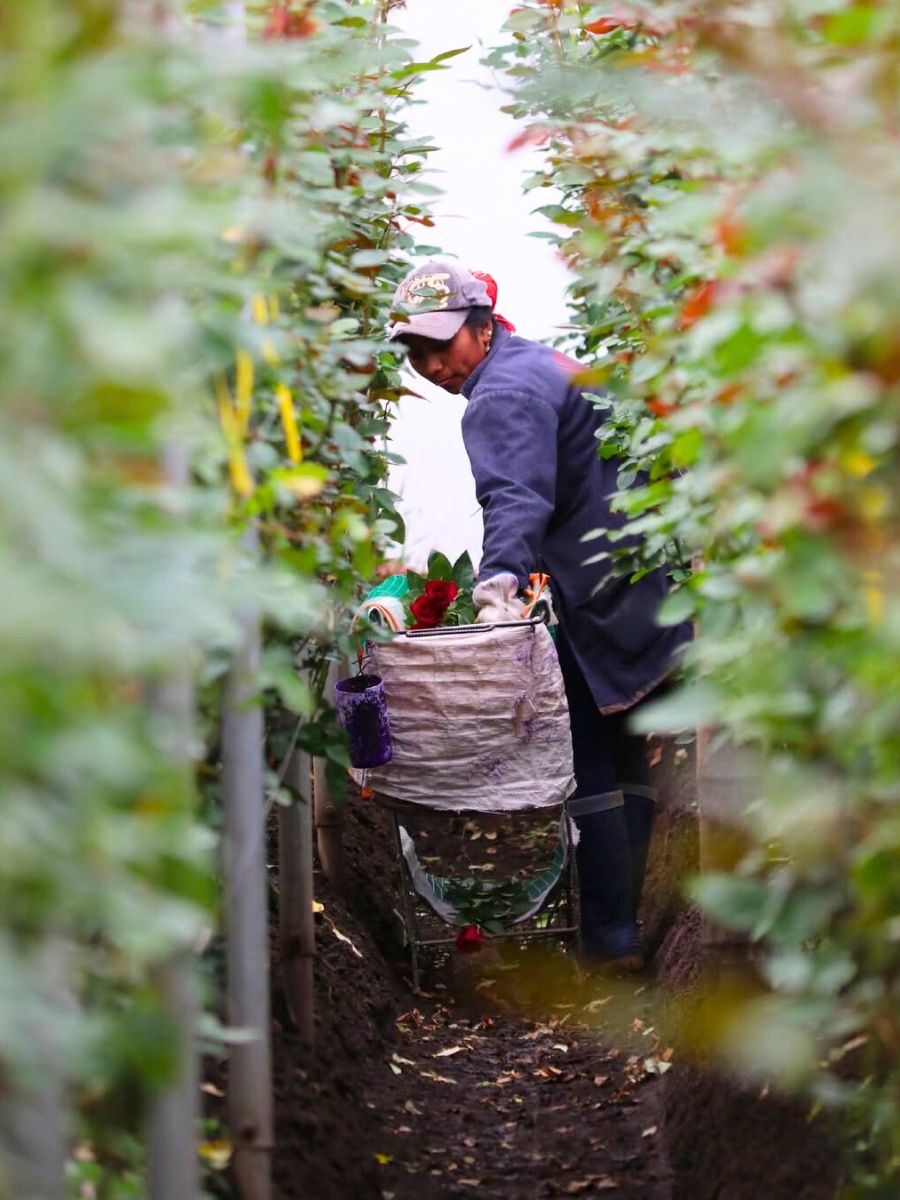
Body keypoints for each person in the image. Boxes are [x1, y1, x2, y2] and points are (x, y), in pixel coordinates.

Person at [387, 260, 691, 967]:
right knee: (621, 750)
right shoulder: (543, 363)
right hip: (637, 585)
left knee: (582, 758)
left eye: (442, 345)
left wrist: (497, 584)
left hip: (596, 595)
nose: (432, 365)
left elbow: (516, 496)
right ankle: (621, 932)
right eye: (418, 353)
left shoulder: (500, 395)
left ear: (481, 326)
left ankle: (611, 940)